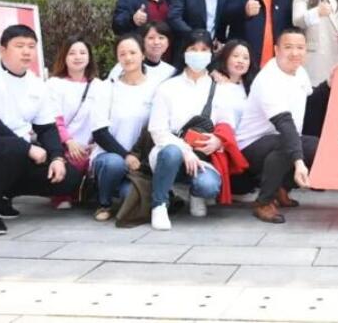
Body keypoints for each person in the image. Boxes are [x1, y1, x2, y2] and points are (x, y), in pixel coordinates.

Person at [0, 25, 81, 235]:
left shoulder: (36, 84)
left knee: (69, 177)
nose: (26, 51)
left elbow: (46, 128)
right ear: (2, 50)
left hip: (18, 152)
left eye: (31, 46)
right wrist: (27, 148)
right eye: (19, 46)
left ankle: (1, 194)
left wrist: (57, 157)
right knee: (11, 148)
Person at [147, 30, 241, 230]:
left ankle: (192, 192)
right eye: (193, 49)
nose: (198, 54)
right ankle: (159, 205)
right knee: (172, 153)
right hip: (169, 152)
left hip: (202, 157)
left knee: (208, 186)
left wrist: (218, 141)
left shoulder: (219, 88)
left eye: (204, 49)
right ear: (184, 52)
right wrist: (184, 150)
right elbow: (157, 130)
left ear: (211, 54)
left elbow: (227, 124)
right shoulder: (168, 87)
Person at [236, 27, 319, 224]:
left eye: (300, 47)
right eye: (288, 47)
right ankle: (263, 202)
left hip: (280, 138)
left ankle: (281, 187)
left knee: (317, 147)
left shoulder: (300, 72)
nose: (295, 53)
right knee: (288, 145)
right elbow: (284, 123)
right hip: (251, 145)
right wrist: (299, 163)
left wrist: (329, 85)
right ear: (276, 49)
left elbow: (311, 100)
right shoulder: (268, 79)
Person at [89, 34, 159, 221]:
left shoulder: (156, 88)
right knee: (114, 164)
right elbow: (99, 132)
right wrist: (126, 156)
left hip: (139, 162)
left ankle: (118, 191)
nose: (128, 58)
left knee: (130, 196)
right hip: (110, 156)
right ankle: (103, 202)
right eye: (122, 54)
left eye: (133, 52)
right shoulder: (107, 87)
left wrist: (137, 159)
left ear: (143, 54)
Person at [46, 36, 106, 209]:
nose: (78, 57)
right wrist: (69, 142)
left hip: (91, 145)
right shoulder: (54, 84)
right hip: (64, 145)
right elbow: (53, 119)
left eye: (82, 52)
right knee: (71, 160)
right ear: (64, 57)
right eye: (72, 53)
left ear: (89, 57)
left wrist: (96, 144)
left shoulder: (99, 85)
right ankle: (61, 193)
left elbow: (104, 119)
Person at [107, 21, 176, 85]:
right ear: (141, 41)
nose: (156, 42)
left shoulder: (171, 71)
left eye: (161, 38)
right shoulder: (125, 67)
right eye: (151, 38)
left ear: (168, 43)